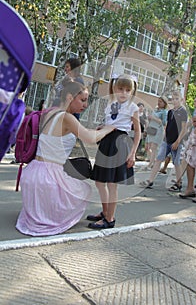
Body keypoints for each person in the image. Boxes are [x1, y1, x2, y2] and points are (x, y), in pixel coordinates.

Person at [16, 81, 115, 236]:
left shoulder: (50, 112)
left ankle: (43, 212)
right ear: (70, 97)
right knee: (83, 190)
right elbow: (90, 138)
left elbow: (76, 132)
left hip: (33, 173)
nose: (85, 104)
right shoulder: (67, 117)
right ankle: (50, 216)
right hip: (49, 176)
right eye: (82, 100)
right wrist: (109, 129)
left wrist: (94, 130)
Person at [87, 74, 141, 229]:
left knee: (111, 183)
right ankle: (105, 212)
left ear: (132, 91)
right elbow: (110, 122)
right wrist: (102, 128)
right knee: (99, 181)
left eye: (127, 90)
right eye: (120, 89)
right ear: (114, 88)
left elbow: (137, 132)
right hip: (106, 142)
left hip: (119, 143)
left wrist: (133, 153)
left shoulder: (133, 107)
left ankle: (110, 218)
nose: (124, 92)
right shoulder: (110, 104)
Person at [140, 90, 188, 191]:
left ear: (182, 100)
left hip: (176, 142)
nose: (175, 101)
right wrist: (165, 138)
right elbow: (167, 126)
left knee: (176, 162)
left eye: (177, 99)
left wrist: (177, 141)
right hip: (167, 141)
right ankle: (150, 180)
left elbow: (184, 129)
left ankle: (179, 183)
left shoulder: (183, 112)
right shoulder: (170, 112)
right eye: (173, 99)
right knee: (158, 159)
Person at [145, 96, 168, 169]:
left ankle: (151, 164)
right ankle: (154, 162)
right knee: (150, 147)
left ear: (164, 103)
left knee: (154, 147)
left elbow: (164, 123)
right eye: (158, 101)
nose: (159, 103)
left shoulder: (164, 112)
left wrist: (153, 118)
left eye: (161, 101)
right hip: (152, 129)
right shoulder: (156, 110)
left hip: (158, 130)